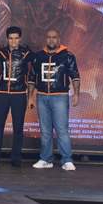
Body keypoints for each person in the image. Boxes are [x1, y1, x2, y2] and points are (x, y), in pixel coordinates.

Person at [28, 29, 80, 171]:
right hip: (42, 96)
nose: (51, 40)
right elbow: (32, 78)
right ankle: (46, 159)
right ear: (46, 39)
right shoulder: (38, 56)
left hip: (60, 97)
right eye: (49, 37)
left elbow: (75, 76)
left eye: (54, 37)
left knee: (62, 129)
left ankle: (67, 160)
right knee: (45, 131)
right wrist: (30, 97)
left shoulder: (68, 56)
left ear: (59, 39)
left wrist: (76, 94)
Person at [0, 26, 32, 167]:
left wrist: (30, 94)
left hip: (19, 94)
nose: (13, 41)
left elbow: (35, 71)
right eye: (10, 38)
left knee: (18, 127)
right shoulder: (0, 53)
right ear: (7, 39)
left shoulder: (26, 53)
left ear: (19, 39)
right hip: (2, 94)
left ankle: (16, 158)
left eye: (16, 38)